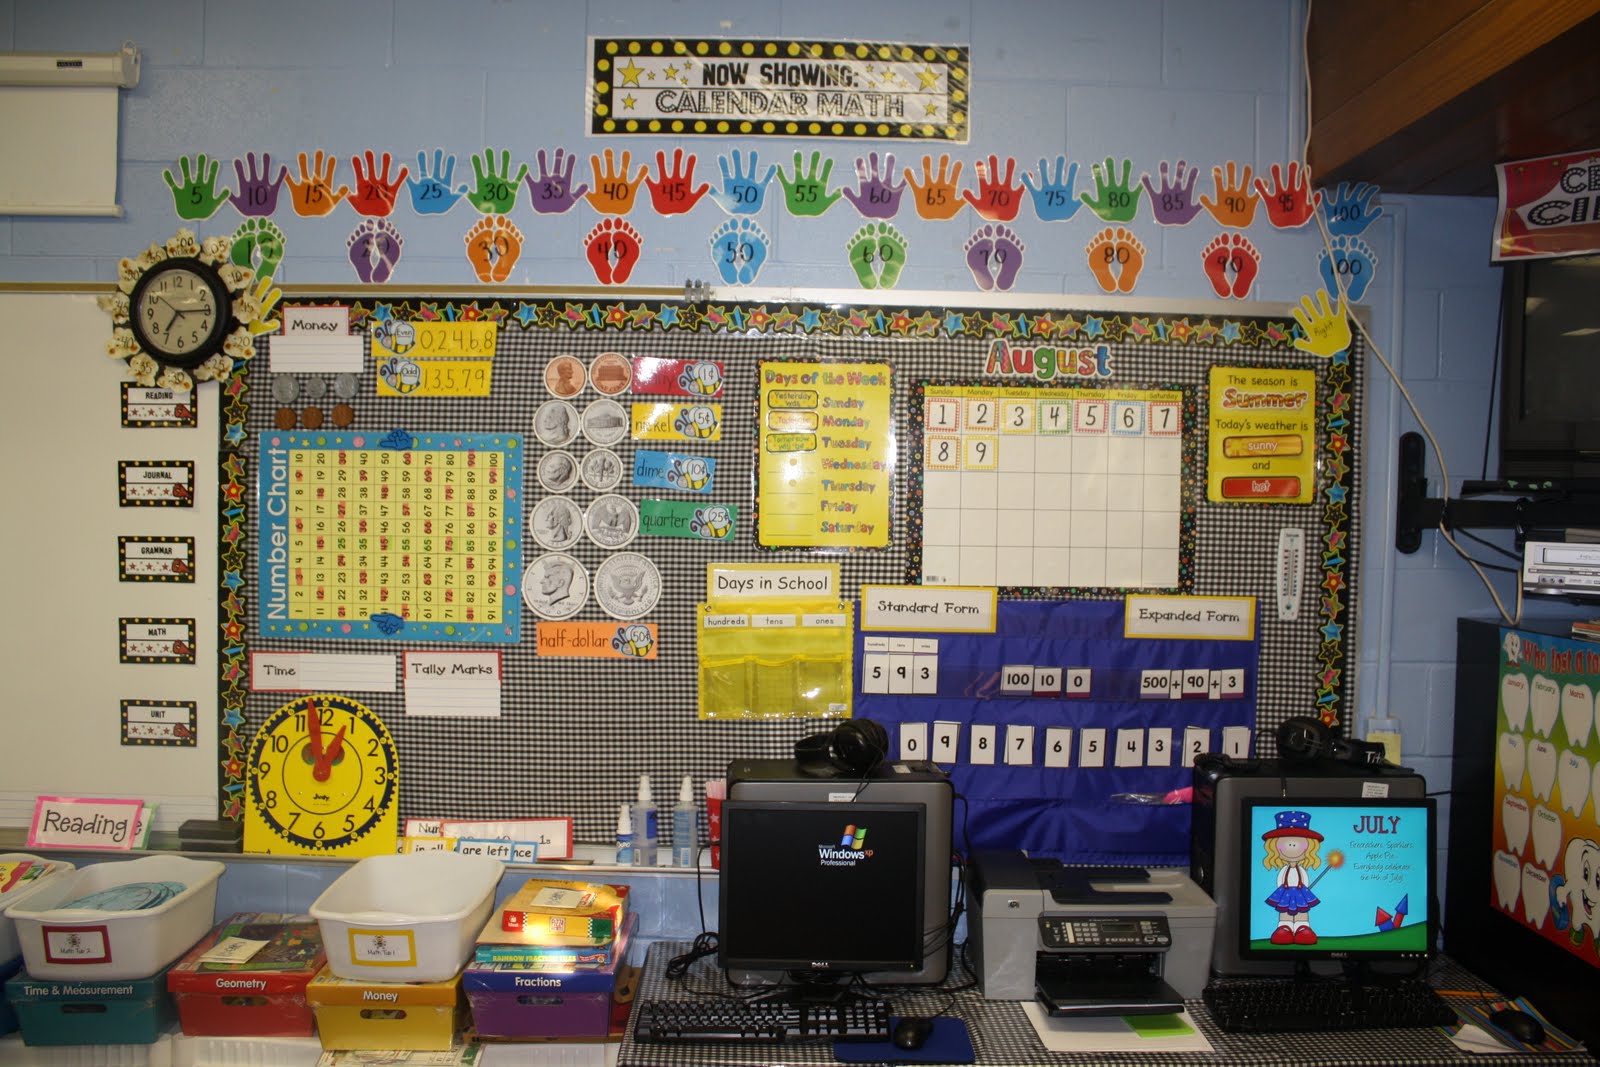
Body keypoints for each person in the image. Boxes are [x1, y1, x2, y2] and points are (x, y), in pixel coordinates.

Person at [1262, 810, 1323, 944]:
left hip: (1301, 891)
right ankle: (1285, 927)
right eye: (1285, 843)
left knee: (1302, 910)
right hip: (1285, 892)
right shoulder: (1284, 870)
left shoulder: (1302, 870)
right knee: (1284, 910)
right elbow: (1280, 882)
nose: (1292, 846)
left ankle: (1303, 927)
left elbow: (1305, 880)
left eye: (1299, 843)